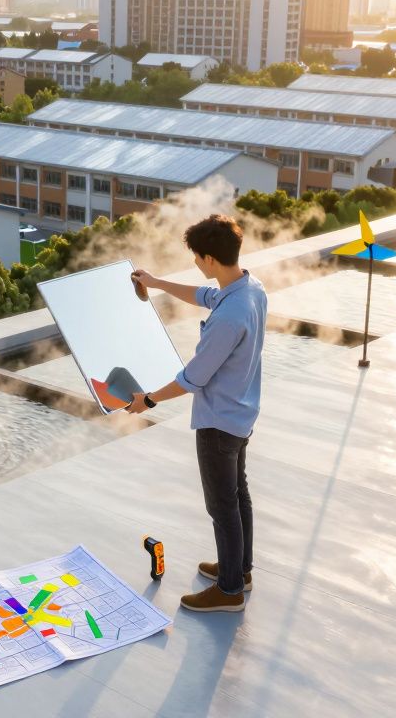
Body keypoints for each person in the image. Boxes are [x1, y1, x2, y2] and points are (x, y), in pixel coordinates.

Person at [128, 214, 266, 613]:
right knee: (238, 495)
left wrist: (148, 400)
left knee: (222, 506)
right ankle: (239, 570)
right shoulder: (249, 289)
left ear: (209, 258)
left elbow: (193, 378)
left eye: (196, 258)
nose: (195, 264)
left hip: (218, 422)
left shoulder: (229, 317)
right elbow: (202, 296)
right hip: (241, 412)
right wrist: (154, 284)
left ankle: (228, 592)